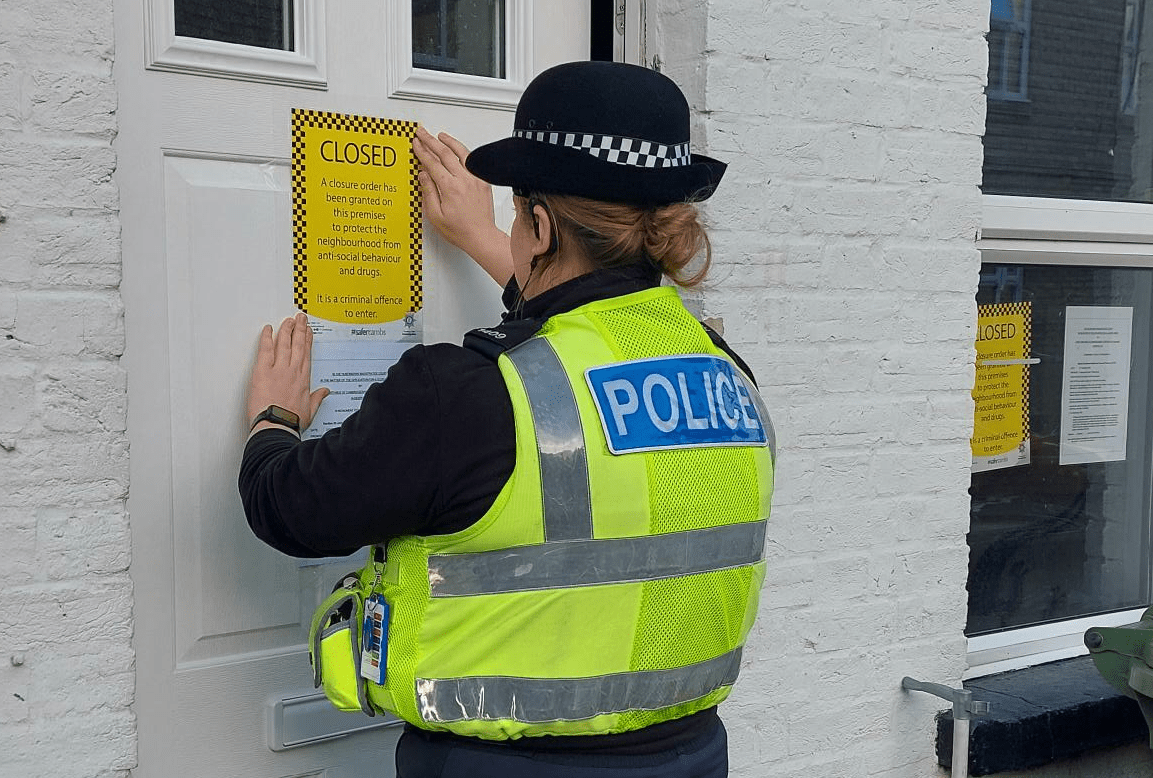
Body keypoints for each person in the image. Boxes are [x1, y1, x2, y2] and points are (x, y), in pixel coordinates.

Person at [240, 61, 775, 778]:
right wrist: (485, 238)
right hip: (692, 757)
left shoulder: (463, 396)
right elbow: (591, 335)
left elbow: (291, 510)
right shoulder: (728, 378)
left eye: (520, 213)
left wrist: (271, 422)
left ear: (541, 224)